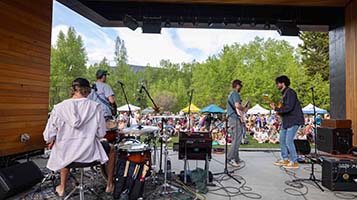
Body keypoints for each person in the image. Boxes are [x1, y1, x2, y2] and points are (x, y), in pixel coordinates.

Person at [43, 78, 116, 196]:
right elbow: (101, 133)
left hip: (67, 157)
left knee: (64, 148)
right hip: (90, 155)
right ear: (88, 91)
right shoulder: (96, 107)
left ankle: (62, 187)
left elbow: (48, 136)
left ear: (73, 90)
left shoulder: (59, 108)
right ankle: (109, 185)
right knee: (112, 149)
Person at [270, 75, 304, 169]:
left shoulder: (290, 92)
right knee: (282, 139)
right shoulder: (285, 94)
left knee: (289, 141)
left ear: (282, 83)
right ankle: (285, 158)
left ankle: (294, 161)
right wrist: (278, 110)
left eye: (278, 83)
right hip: (287, 121)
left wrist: (276, 108)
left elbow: (289, 108)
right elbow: (285, 108)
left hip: (293, 120)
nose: (277, 85)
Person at [226, 79, 248, 167]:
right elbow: (237, 105)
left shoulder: (230, 94)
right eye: (240, 86)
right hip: (234, 119)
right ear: (237, 85)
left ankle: (236, 158)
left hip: (232, 119)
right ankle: (230, 158)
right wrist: (244, 109)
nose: (241, 88)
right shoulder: (235, 94)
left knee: (235, 139)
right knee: (237, 140)